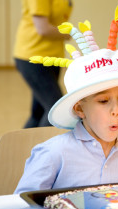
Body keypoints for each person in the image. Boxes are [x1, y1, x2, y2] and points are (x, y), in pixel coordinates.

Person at [14, 6, 118, 194]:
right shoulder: (54, 155)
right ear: (79, 109)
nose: (116, 110)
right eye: (103, 101)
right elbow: (22, 208)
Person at [14, 0, 73, 128]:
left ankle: (24, 147)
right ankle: (40, 147)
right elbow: (43, 28)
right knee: (56, 110)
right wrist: (70, 33)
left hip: (52, 58)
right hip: (32, 57)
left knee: (39, 112)